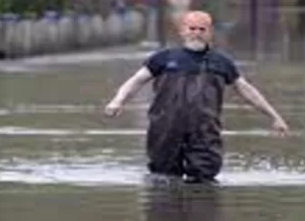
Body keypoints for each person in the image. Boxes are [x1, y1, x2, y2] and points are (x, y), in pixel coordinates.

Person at [104, 10, 289, 183]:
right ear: (182, 31)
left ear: (210, 33)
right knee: (163, 178)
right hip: (165, 128)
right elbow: (136, 80)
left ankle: (201, 213)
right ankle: (165, 215)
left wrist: (274, 116)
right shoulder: (164, 58)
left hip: (205, 130)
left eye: (202, 29)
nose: (197, 33)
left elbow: (247, 90)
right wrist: (117, 101)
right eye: (192, 28)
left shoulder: (221, 62)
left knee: (205, 178)